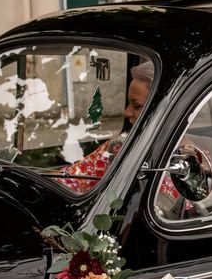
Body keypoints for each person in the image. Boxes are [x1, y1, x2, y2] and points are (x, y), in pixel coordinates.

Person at [57, 61, 154, 193]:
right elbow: (68, 180)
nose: (127, 112)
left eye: (136, 106)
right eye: (128, 104)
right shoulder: (120, 147)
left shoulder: (121, 147)